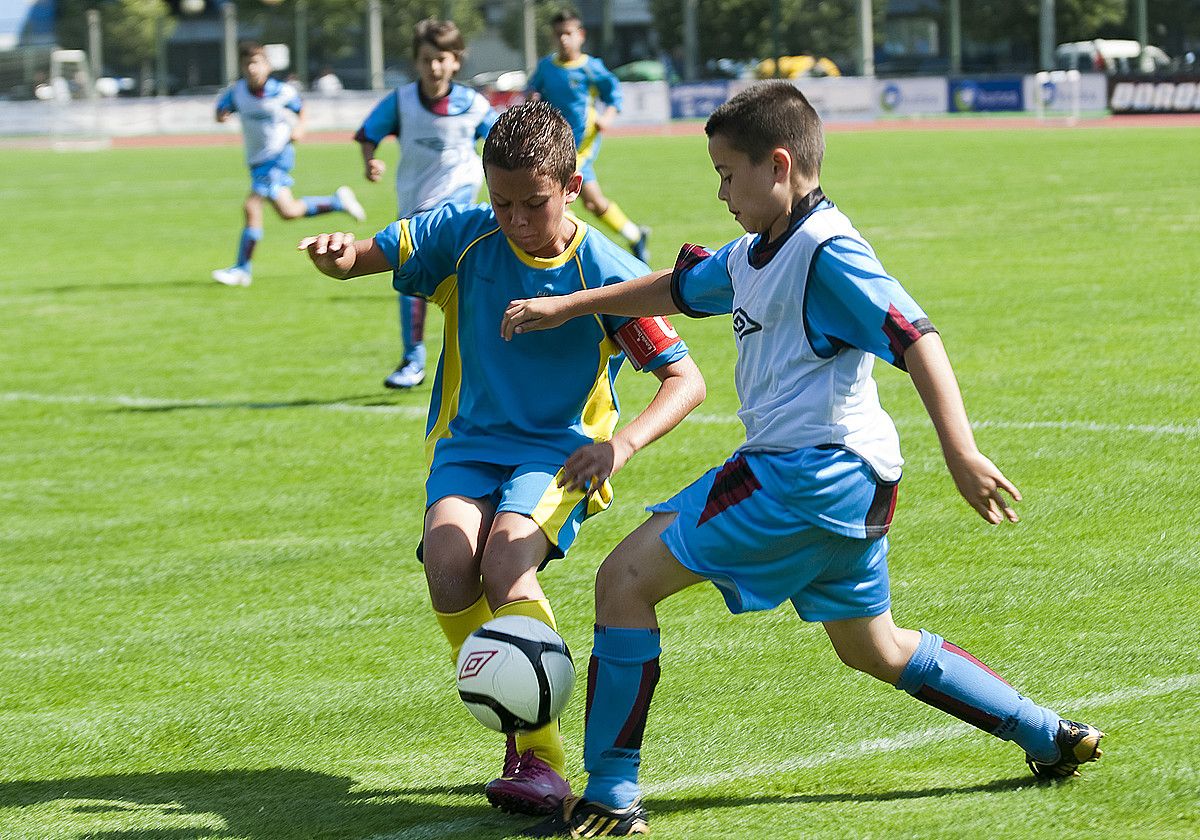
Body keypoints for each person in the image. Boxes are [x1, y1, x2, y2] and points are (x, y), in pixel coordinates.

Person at [502, 81, 1105, 836]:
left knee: (623, 580)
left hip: (805, 475)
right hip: (854, 489)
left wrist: (962, 451)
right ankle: (1045, 733)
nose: (719, 190)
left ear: (778, 165)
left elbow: (916, 335)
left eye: (727, 173)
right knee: (875, 648)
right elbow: (677, 287)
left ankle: (611, 795)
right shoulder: (760, 250)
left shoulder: (828, 253)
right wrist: (569, 305)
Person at [299, 100, 706, 817]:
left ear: (573, 187)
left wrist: (619, 444)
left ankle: (540, 758)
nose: (515, 220)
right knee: (450, 566)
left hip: (559, 453)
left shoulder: (606, 271)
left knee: (504, 563)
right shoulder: (463, 236)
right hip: (469, 443)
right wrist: (339, 258)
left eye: (533, 204)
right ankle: (528, 727)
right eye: (502, 202)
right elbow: (369, 256)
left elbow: (686, 379)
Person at [354, 19, 498, 390]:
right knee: (414, 280)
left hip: (455, 205)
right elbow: (368, 133)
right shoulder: (401, 102)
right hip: (413, 207)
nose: (433, 67)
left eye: (441, 59)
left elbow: (502, 139)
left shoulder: (473, 105)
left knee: (449, 277)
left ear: (455, 61)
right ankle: (416, 359)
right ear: (416, 62)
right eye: (426, 60)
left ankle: (432, 360)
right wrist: (370, 160)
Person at [212, 41, 364, 288]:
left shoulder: (281, 91)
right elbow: (221, 110)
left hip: (276, 157)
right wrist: (221, 115)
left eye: (257, 63)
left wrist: (301, 128)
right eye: (247, 64)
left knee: (251, 207)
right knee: (288, 211)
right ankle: (337, 201)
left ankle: (242, 269)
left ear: (267, 66)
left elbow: (301, 109)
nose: (252, 69)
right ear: (241, 67)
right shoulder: (237, 92)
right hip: (257, 161)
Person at [527, 8, 649, 263]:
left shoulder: (591, 68)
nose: (563, 39)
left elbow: (613, 94)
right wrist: (532, 99)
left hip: (581, 147)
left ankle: (562, 258)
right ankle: (635, 235)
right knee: (593, 203)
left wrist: (607, 118)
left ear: (580, 35)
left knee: (559, 200)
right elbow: (532, 90)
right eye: (559, 34)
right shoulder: (546, 67)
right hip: (552, 145)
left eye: (568, 34)